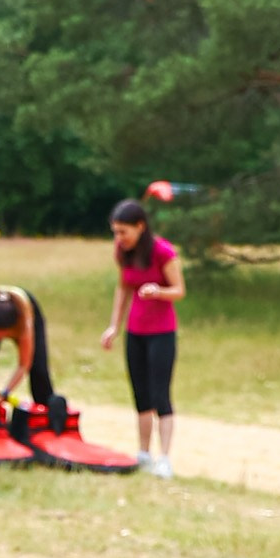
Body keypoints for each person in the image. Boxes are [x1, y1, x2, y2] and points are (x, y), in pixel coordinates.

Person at [102, 196, 183, 477]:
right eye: (115, 232)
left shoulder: (162, 252)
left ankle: (165, 458)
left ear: (140, 226)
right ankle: (143, 453)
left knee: (161, 394)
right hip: (135, 330)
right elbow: (123, 288)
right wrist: (114, 326)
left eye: (123, 232)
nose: (119, 238)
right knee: (141, 394)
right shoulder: (123, 252)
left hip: (162, 332)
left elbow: (179, 290)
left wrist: (158, 291)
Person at [0, 285, 65, 426]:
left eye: (1, 335)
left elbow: (24, 365)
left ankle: (47, 413)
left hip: (26, 313)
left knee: (39, 372)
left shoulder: (24, 321)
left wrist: (2, 396)